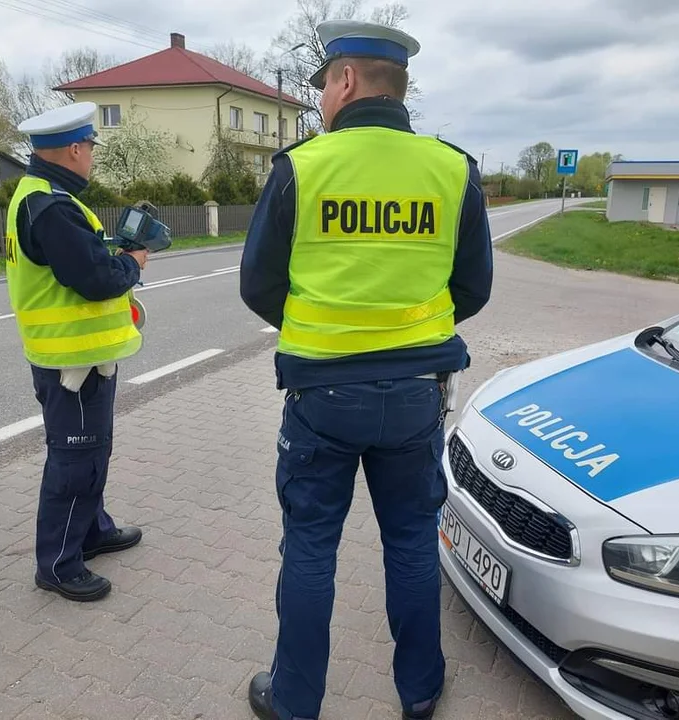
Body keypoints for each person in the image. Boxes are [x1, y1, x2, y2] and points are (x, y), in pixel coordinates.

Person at [239, 19, 493, 720]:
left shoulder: (303, 168)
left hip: (322, 395)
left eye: (323, 83)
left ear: (345, 80)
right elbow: (473, 288)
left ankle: (294, 702)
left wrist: (328, 328)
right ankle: (419, 693)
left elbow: (258, 284)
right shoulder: (451, 169)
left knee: (312, 547)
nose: (320, 97)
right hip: (415, 397)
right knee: (411, 542)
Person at [7, 102, 148, 602]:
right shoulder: (52, 205)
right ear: (73, 148)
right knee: (74, 460)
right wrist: (131, 263)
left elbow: (78, 263)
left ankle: (91, 531)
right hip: (71, 362)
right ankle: (59, 564)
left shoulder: (47, 196)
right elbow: (93, 279)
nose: (92, 156)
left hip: (82, 358)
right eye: (90, 147)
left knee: (91, 452)